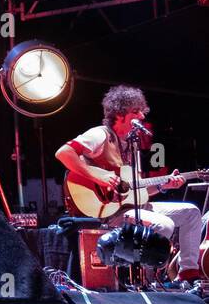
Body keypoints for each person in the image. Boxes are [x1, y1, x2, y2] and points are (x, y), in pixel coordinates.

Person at [55, 84, 207, 281]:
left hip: (133, 207)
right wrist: (97, 176)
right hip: (109, 212)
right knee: (165, 225)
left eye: (141, 112)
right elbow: (63, 153)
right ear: (119, 115)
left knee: (191, 213)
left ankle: (187, 273)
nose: (142, 117)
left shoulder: (132, 145)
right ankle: (150, 281)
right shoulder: (100, 135)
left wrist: (163, 185)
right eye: (135, 112)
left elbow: (137, 190)